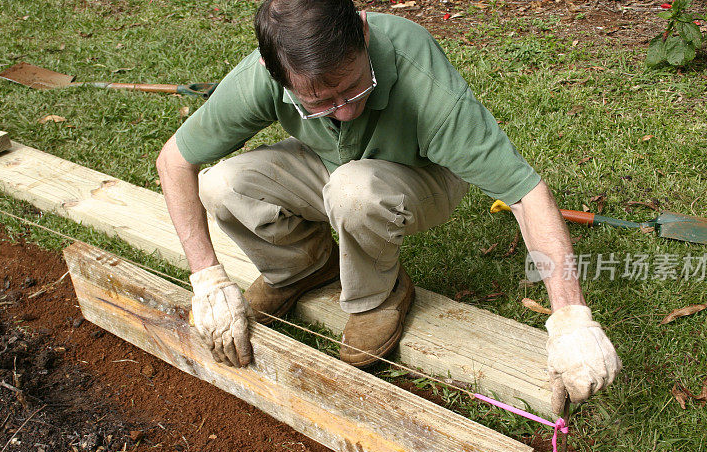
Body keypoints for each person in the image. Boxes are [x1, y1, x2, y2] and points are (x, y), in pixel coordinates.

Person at [155, 0, 621, 414]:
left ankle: (379, 295)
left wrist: (571, 318)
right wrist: (208, 278)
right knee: (222, 184)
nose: (344, 111)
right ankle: (303, 267)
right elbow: (175, 162)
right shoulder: (264, 74)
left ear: (362, 30)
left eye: (354, 87)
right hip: (331, 167)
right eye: (319, 103)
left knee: (355, 191)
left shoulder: (420, 75)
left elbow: (524, 193)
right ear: (272, 70)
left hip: (421, 177)